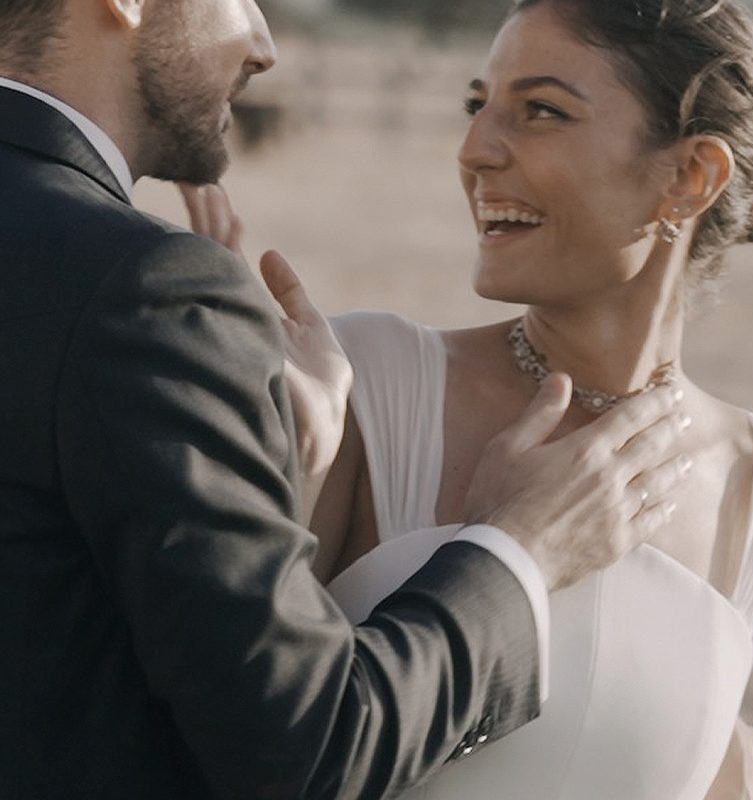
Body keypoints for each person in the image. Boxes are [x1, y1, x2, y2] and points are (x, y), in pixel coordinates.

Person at [0, 1, 692, 799]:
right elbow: (313, 748)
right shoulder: (138, 288)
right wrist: (523, 548)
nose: (263, 44)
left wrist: (264, 458)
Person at [186, 0, 753, 797]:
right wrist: (273, 468)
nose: (474, 151)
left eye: (542, 111)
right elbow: (251, 725)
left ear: (691, 177)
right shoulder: (368, 384)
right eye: (476, 105)